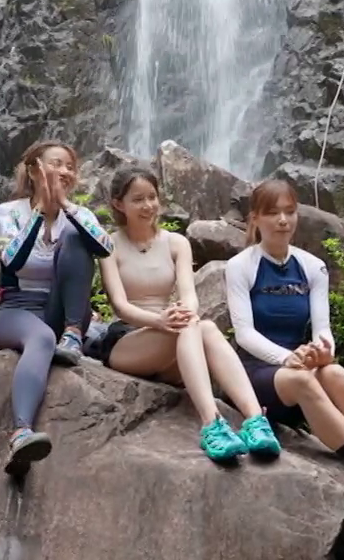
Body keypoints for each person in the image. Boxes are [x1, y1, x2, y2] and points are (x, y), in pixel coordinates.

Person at [223, 177, 344, 496]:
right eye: (273, 213)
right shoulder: (240, 266)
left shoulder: (313, 267)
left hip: (298, 371)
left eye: (289, 212)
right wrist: (287, 358)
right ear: (255, 218)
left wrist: (323, 351)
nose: (283, 220)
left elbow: (322, 328)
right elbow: (244, 334)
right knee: (304, 380)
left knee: (334, 372)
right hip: (256, 378)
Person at [91, 165, 281, 463]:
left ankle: (255, 420)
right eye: (138, 199)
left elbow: (189, 295)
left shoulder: (176, 243)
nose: (148, 205)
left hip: (174, 338)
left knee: (201, 326)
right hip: (128, 342)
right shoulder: (109, 245)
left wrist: (181, 314)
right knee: (194, 326)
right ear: (118, 204)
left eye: (152, 197)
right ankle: (211, 424)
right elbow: (119, 305)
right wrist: (160, 321)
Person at [0, 140, 112, 476]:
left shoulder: (80, 214)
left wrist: (66, 209)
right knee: (42, 338)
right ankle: (21, 431)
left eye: (70, 167)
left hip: (64, 311)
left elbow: (106, 248)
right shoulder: (8, 212)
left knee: (76, 237)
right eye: (56, 164)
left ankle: (74, 334)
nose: (65, 172)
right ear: (34, 170)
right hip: (17, 310)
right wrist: (42, 211)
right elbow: (10, 260)